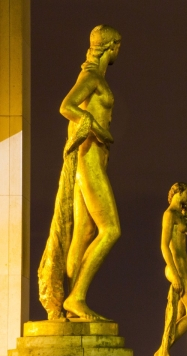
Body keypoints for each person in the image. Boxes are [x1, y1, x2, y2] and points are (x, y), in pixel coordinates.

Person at [38, 25, 122, 321]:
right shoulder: (92, 77)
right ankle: (77, 296)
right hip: (89, 159)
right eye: (117, 46)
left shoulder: (95, 77)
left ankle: (62, 299)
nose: (118, 51)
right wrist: (98, 130)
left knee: (84, 232)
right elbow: (67, 106)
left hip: (93, 157)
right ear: (110, 46)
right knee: (111, 229)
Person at [151, 183, 187, 356]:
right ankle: (164, 348)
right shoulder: (169, 214)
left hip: (182, 268)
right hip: (176, 268)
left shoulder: (178, 215)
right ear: (178, 193)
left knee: (177, 313)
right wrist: (174, 272)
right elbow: (164, 245)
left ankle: (164, 348)